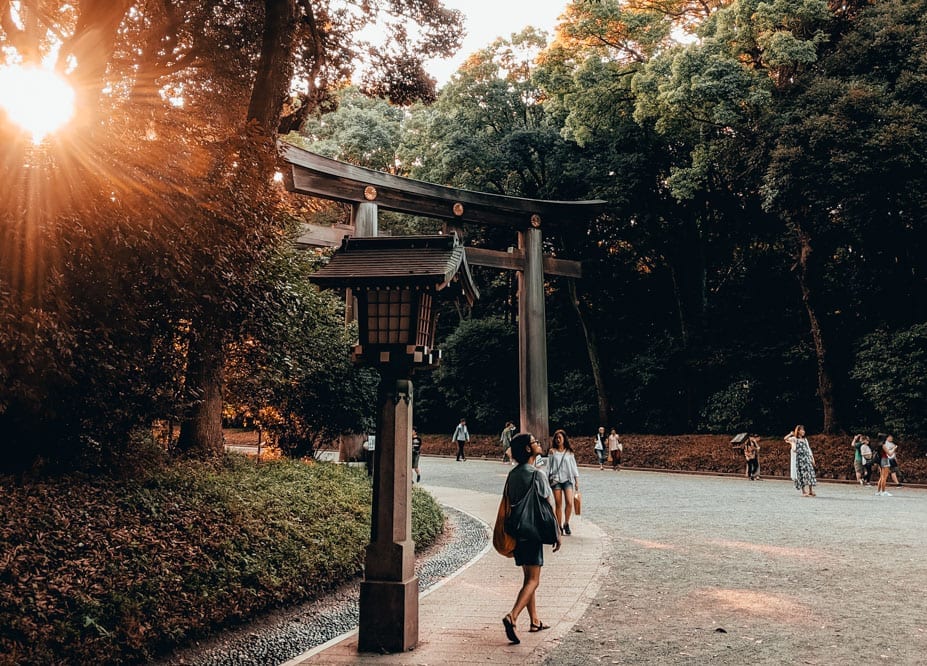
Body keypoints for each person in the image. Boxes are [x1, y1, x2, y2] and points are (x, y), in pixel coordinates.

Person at [501, 433, 561, 645]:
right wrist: (557, 532)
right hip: (533, 531)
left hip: (517, 531)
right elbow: (548, 505)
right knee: (534, 580)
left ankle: (535, 621)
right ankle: (513, 616)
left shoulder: (512, 475)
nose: (538, 444)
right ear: (527, 449)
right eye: (534, 442)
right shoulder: (537, 475)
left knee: (528, 578)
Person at [546, 429, 580, 536]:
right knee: (558, 504)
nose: (558, 440)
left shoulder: (569, 452)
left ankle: (566, 523)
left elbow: (574, 467)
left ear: (564, 439)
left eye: (560, 437)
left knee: (570, 502)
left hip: (567, 479)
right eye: (556, 438)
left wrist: (576, 481)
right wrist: (547, 479)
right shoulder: (552, 452)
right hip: (556, 480)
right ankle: (559, 526)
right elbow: (548, 467)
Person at [785, 425, 816, 496]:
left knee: (810, 473)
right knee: (801, 474)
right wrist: (791, 434)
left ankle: (810, 490)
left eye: (804, 430)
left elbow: (809, 449)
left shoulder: (805, 439)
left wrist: (812, 459)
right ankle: (804, 491)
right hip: (800, 459)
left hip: (807, 458)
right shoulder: (795, 439)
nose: (803, 431)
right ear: (798, 431)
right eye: (802, 430)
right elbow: (785, 438)